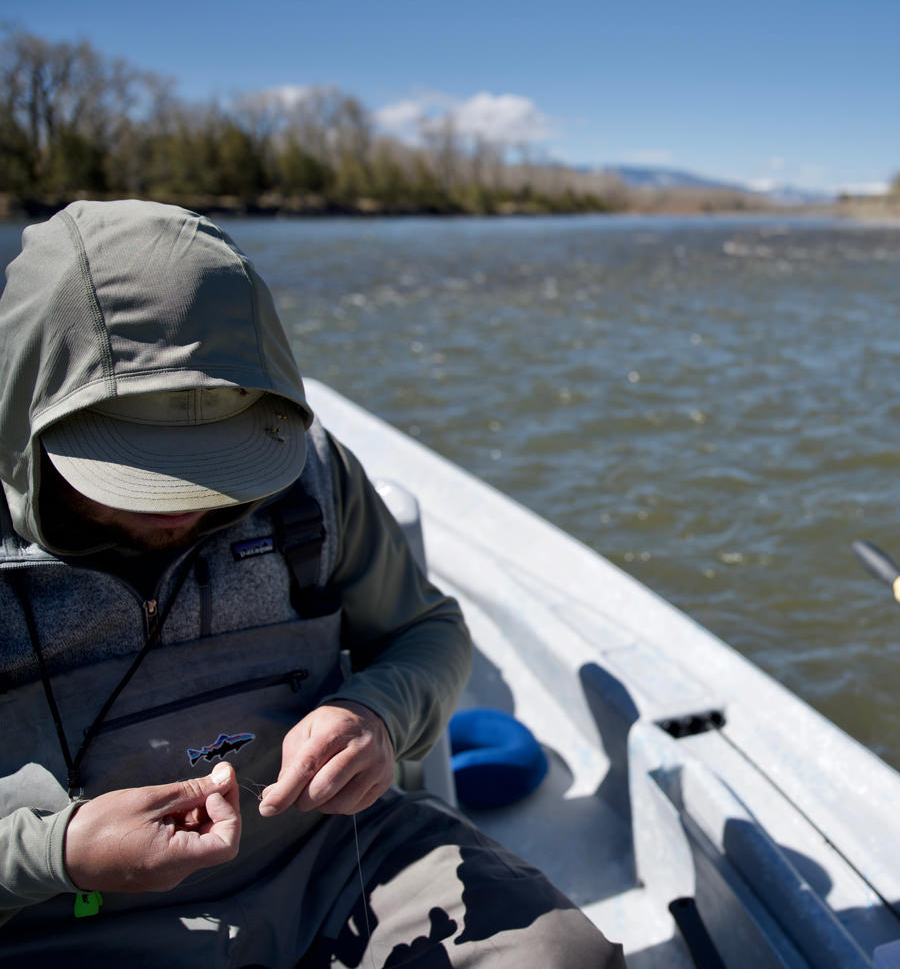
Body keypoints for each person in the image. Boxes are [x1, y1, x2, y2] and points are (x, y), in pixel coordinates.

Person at [0, 200, 625, 967]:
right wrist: (54, 852)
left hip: (331, 864)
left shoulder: (314, 476)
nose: (188, 506)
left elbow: (427, 631)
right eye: (139, 473)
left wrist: (378, 714)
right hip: (60, 921)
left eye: (222, 464)